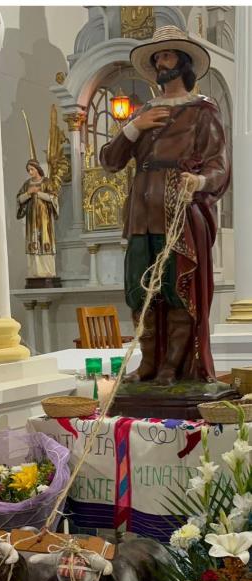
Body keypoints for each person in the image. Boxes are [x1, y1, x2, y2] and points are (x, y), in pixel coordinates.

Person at [100, 25, 230, 385]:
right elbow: (110, 160)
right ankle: (147, 362)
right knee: (141, 293)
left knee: (176, 290)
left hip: (179, 213)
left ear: (183, 62)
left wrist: (199, 182)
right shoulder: (143, 113)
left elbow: (218, 165)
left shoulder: (202, 111)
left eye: (168, 54)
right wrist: (133, 128)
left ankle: (173, 365)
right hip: (141, 213)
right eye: (156, 56)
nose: (160, 61)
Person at [16, 158, 59, 279]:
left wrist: (38, 193)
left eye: (32, 169)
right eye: (28, 170)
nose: (30, 172)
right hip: (32, 219)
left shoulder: (46, 182)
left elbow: (54, 198)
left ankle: (47, 271)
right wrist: (28, 193)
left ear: (38, 169)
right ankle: (34, 272)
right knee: (33, 241)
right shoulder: (27, 184)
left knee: (44, 240)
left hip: (44, 219)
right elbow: (19, 199)